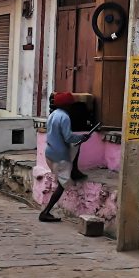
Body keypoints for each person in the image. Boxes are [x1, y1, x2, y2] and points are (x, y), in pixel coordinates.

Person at [39, 92, 91, 223]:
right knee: (62, 185)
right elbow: (68, 137)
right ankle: (46, 212)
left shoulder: (52, 115)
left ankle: (73, 171)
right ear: (67, 105)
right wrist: (81, 137)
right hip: (60, 156)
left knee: (76, 147)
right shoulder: (65, 117)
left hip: (49, 152)